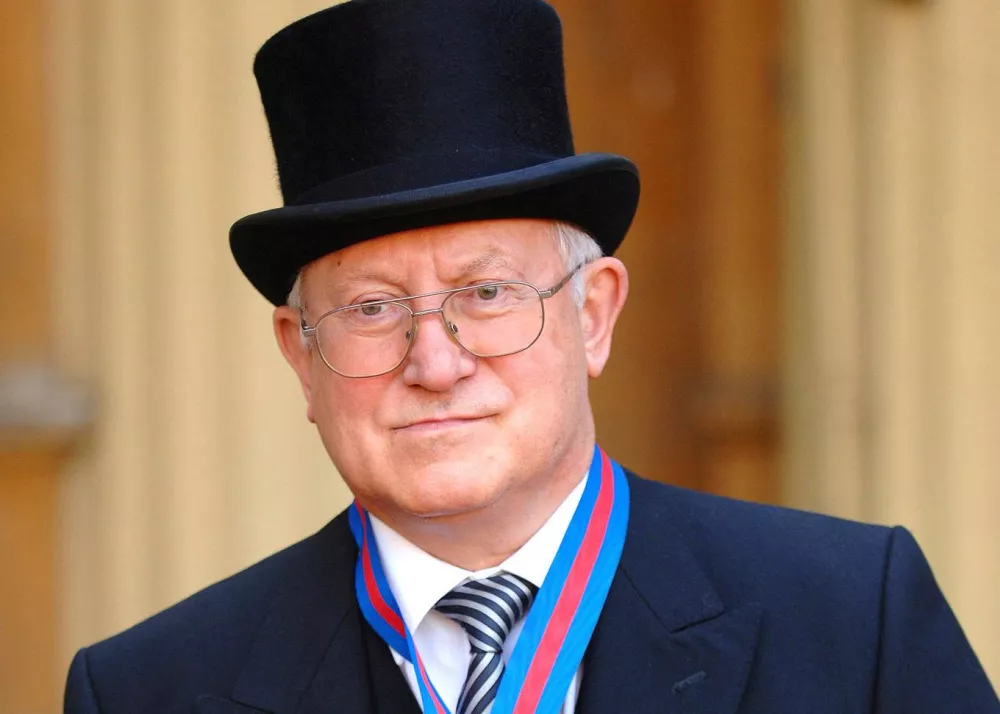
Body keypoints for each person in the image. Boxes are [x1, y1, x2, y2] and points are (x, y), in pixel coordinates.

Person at [64, 1, 998, 712]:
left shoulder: (850, 626)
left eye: (487, 293)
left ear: (594, 315)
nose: (436, 362)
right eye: (373, 308)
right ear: (299, 356)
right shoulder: (151, 688)